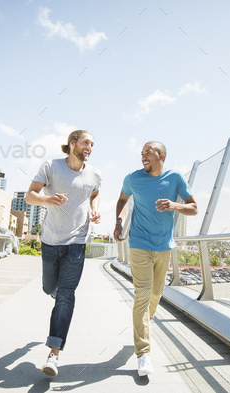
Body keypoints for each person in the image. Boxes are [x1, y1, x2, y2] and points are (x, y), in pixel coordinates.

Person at [114, 141, 197, 376]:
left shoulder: (176, 178)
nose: (143, 157)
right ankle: (144, 353)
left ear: (161, 156)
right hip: (139, 243)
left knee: (156, 293)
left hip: (164, 246)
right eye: (141, 154)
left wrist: (174, 205)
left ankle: (143, 327)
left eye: (148, 153)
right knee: (142, 294)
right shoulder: (133, 178)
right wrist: (119, 222)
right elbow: (122, 200)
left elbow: (194, 208)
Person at [25, 130, 101, 377]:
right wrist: (47, 200)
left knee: (67, 295)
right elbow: (30, 195)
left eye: (92, 144)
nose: (89, 147)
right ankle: (56, 295)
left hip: (77, 241)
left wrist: (94, 209)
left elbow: (95, 193)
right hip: (51, 239)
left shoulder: (94, 174)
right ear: (72, 144)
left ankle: (53, 354)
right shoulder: (51, 166)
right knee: (50, 289)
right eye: (85, 142)